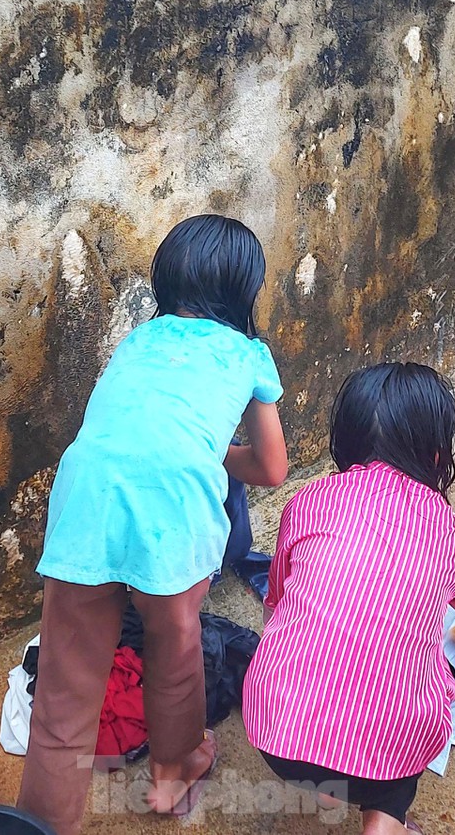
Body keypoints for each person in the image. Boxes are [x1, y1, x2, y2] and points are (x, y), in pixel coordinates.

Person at [20, 215, 289, 833]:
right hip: (175, 516)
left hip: (86, 502)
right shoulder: (249, 354)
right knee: (175, 648)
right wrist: (203, 451)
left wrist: (190, 446)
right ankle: (174, 772)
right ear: (245, 290)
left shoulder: (138, 340)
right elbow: (272, 468)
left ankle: (37, 826)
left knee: (64, 699)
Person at [243, 362, 455, 834]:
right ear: (437, 454)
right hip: (384, 751)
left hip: (275, 728)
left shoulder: (308, 502)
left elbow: (275, 604)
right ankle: (385, 819)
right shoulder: (451, 535)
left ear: (345, 442)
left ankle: (342, 786)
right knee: (410, 725)